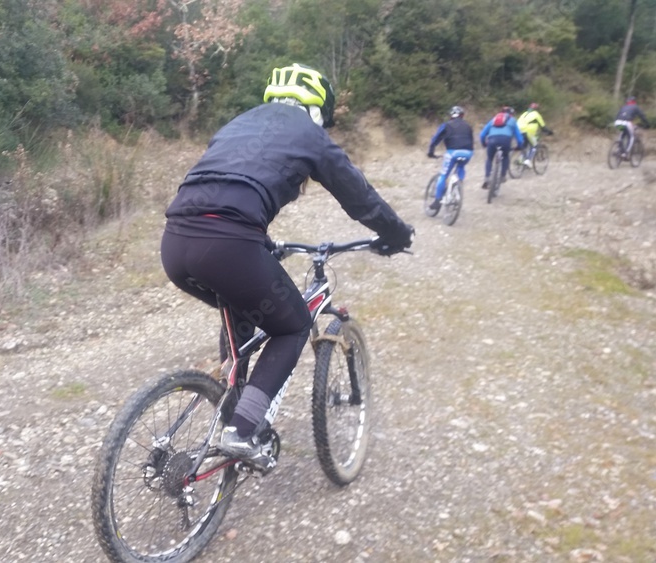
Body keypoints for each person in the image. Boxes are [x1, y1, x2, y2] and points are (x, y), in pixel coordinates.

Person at [160, 63, 414, 465]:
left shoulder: (237, 125)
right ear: (317, 109)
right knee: (293, 326)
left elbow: (221, 188)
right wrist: (397, 234)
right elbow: (359, 197)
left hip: (175, 243)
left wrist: (260, 242)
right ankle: (242, 431)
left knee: (244, 302)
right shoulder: (310, 134)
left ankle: (235, 399)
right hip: (230, 244)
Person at [426, 105, 474, 213]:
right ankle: (458, 186)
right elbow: (471, 140)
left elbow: (436, 139)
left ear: (451, 116)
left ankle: (437, 201)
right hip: (468, 152)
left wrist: (431, 152)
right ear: (462, 116)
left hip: (453, 152)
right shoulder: (468, 126)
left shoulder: (446, 125)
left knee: (443, 175)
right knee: (461, 167)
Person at [479, 106, 524, 188]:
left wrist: (484, 143)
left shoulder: (493, 120)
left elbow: (482, 134)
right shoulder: (512, 121)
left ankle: (487, 177)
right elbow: (519, 137)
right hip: (505, 140)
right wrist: (519, 146)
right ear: (511, 114)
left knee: (489, 158)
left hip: (492, 140)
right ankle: (503, 176)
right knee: (505, 156)